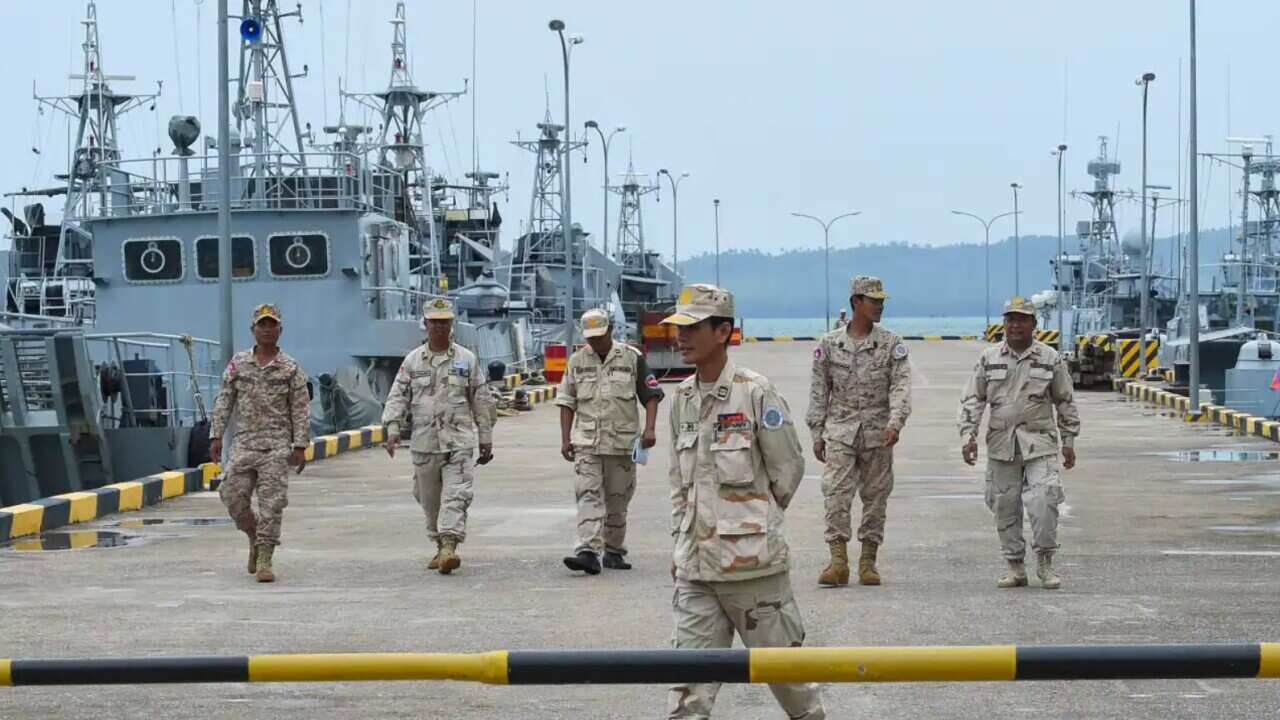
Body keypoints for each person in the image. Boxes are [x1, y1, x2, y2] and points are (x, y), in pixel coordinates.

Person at [662, 283, 825, 720]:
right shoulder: (680, 400)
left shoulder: (755, 393)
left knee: (791, 684)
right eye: (679, 327)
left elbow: (786, 470)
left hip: (753, 568)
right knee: (688, 692)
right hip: (696, 572)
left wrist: (753, 522)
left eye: (693, 327)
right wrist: (682, 541)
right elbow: (681, 485)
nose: (682, 336)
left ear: (723, 331)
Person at [957, 296, 1080, 590]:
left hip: (1040, 443)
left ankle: (1045, 562)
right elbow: (974, 398)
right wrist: (967, 435)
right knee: (1004, 505)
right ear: (1004, 323)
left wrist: (1069, 439)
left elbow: (1065, 400)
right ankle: (1015, 566)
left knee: (1044, 501)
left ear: (1034, 324)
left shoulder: (1050, 358)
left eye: (1022, 319)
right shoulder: (989, 358)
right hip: (1002, 444)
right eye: (1010, 319)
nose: (1015, 325)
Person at [806, 275, 911, 587]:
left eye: (881, 301)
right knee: (836, 494)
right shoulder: (828, 344)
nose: (879, 306)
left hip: (879, 432)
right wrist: (816, 431)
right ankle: (837, 561)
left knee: (876, 497)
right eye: (873, 300)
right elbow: (818, 390)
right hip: (840, 431)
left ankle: (868, 561)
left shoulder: (892, 344)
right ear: (856, 303)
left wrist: (896, 422)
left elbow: (901, 386)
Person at [382, 297, 496, 575]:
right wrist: (393, 428)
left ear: (451, 324)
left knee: (456, 495)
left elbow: (480, 400)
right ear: (426, 324)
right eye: (435, 322)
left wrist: (485, 436)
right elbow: (398, 395)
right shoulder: (412, 361)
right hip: (424, 443)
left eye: (445, 322)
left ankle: (449, 546)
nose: (440, 327)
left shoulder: (466, 360)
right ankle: (438, 542)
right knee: (427, 498)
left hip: (458, 442)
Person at [557, 308, 664, 575]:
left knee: (618, 501)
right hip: (587, 442)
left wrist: (650, 429)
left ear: (610, 330)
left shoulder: (631, 358)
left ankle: (613, 551)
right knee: (588, 494)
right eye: (590, 337)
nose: (595, 342)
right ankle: (587, 551)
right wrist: (565, 439)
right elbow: (567, 401)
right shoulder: (577, 361)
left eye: (599, 336)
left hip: (622, 443)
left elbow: (650, 394)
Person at [209, 303, 310, 583]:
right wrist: (216, 434)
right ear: (253, 330)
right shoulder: (239, 364)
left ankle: (265, 556)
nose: (267, 330)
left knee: (272, 505)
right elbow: (225, 399)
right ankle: (253, 536)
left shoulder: (290, 368)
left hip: (276, 446)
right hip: (245, 444)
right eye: (262, 325)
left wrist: (300, 445)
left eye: (272, 325)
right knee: (231, 496)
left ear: (280, 330)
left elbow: (300, 408)